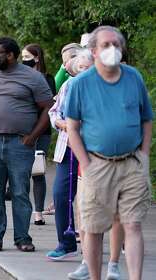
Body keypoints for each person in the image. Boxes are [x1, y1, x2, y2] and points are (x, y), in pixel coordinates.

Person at [65, 26, 152, 280]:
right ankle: (95, 277)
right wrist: (86, 163)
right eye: (105, 45)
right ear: (93, 51)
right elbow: (72, 127)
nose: (112, 49)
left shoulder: (133, 77)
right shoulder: (81, 84)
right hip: (97, 164)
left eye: (116, 44)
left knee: (133, 223)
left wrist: (144, 156)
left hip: (131, 163)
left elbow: (147, 119)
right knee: (92, 228)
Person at [0, 37, 53, 252]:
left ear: (10, 55)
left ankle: (22, 237)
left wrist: (33, 136)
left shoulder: (33, 77)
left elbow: (47, 108)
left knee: (20, 192)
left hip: (20, 144)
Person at [46, 49, 94, 261]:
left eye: (88, 68)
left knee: (97, 197)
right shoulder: (69, 85)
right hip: (68, 148)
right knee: (61, 194)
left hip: (95, 149)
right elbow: (54, 111)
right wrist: (60, 122)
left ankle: (107, 242)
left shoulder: (103, 88)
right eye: (80, 68)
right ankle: (66, 242)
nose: (83, 71)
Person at [21, 43, 57, 225]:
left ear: (36, 58)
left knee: (38, 171)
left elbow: (48, 103)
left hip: (41, 131)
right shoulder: (18, 77)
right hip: (22, 129)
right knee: (21, 172)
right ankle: (23, 210)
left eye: (27, 56)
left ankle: (39, 212)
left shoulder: (47, 78)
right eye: (22, 56)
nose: (23, 60)